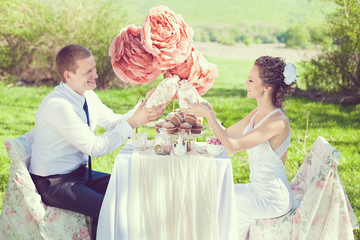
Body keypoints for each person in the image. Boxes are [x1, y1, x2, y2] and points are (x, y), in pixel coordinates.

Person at [29, 44, 165, 239]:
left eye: (94, 68)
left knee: (131, 186)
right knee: (111, 212)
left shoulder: (87, 96)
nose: (96, 75)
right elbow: (95, 147)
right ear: (69, 75)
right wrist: (135, 121)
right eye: (88, 71)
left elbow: (113, 122)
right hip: (56, 183)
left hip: (78, 174)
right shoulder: (57, 106)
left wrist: (144, 105)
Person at [183, 55, 297, 239]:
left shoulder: (278, 122)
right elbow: (227, 134)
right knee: (217, 194)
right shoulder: (257, 114)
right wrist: (208, 111)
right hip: (256, 190)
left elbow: (233, 147)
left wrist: (209, 117)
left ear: (268, 88)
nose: (246, 82)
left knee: (228, 203)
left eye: (251, 80)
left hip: (273, 199)